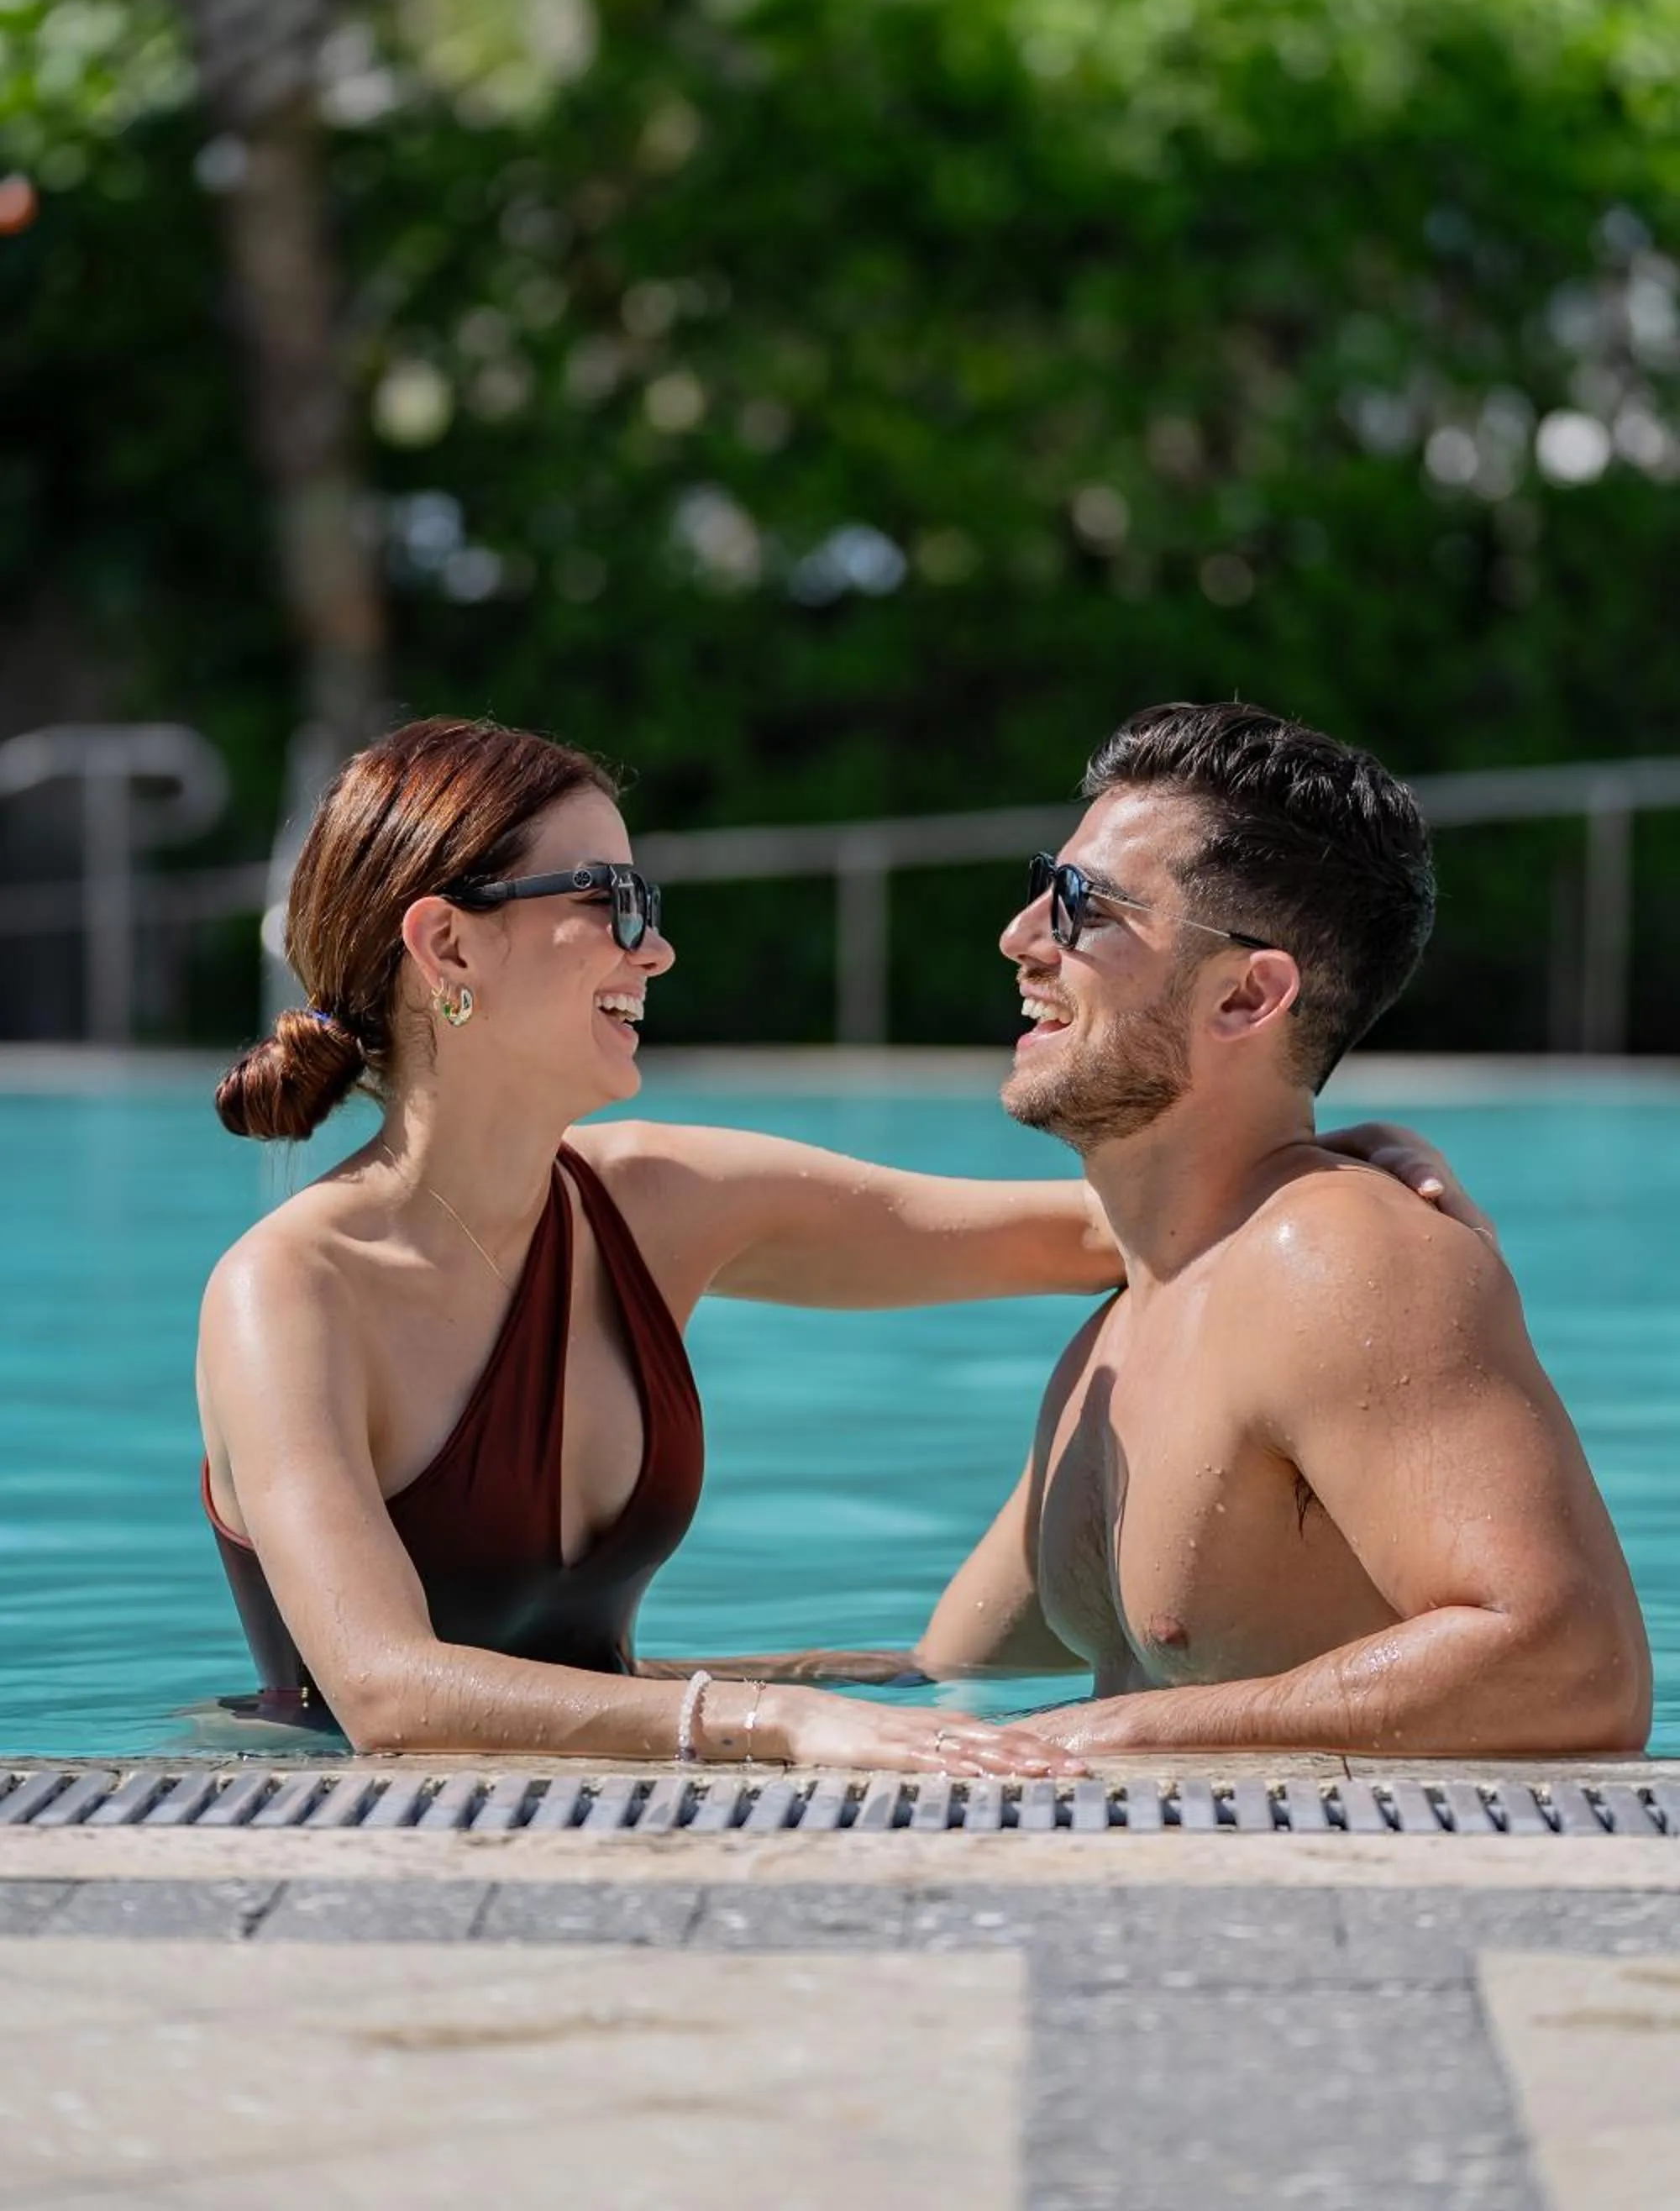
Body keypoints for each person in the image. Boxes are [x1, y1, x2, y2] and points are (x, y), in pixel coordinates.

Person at [200, 714, 1482, 1772]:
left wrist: (1349, 1164)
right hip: (349, 1837)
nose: (659, 946)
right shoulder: (291, 1293)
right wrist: (782, 1719)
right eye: (613, 900)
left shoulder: (656, 1202)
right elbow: (390, 1697)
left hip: (624, 1785)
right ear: (448, 945)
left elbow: (1127, 1230)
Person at [916, 702, 1652, 1757]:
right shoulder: (1125, 1324)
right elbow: (940, 1674)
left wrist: (1116, 1732)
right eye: (1044, 883)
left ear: (1245, 998)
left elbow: (1571, 1670)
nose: (1022, 936)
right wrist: (687, 1702)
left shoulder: (1337, 1262)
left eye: (1081, 905)